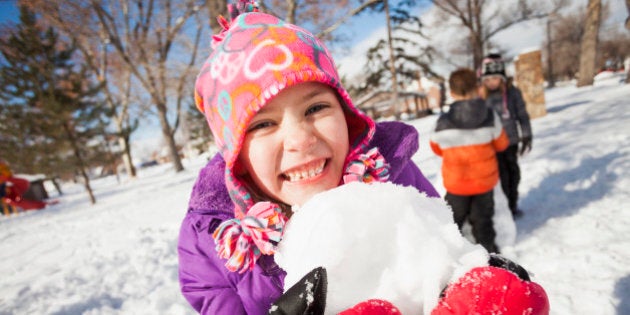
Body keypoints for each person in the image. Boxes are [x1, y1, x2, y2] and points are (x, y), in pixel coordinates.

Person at [178, 2, 548, 314]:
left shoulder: (390, 175)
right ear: (235, 155)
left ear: (347, 114)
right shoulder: (214, 246)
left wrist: (464, 283)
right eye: (263, 124)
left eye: (316, 107)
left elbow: (437, 258)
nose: (301, 140)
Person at [429, 68, 509, 254]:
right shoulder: (489, 116)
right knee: (483, 222)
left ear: (451, 93)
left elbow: (436, 148)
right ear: (476, 88)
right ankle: (489, 254)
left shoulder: (443, 122)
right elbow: (502, 143)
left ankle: (451, 254)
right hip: (484, 182)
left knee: (452, 221)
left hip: (456, 183)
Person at [479, 53, 532, 218]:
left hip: (511, 141)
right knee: (501, 177)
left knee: (513, 174)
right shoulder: (482, 96)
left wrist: (527, 135)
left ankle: (513, 204)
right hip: (492, 144)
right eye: (487, 80)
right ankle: (505, 209)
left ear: (501, 77)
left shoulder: (513, 93)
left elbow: (522, 115)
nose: (491, 82)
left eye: (494, 78)